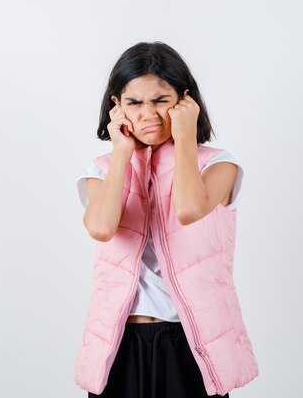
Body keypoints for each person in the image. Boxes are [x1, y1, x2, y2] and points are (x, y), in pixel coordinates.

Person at [74, 41, 259, 398]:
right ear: (116, 105)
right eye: (134, 102)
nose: (148, 113)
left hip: (191, 344)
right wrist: (123, 152)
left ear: (184, 101)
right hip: (119, 345)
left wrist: (186, 137)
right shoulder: (102, 170)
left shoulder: (218, 164)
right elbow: (100, 227)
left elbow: (189, 209)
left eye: (161, 100)